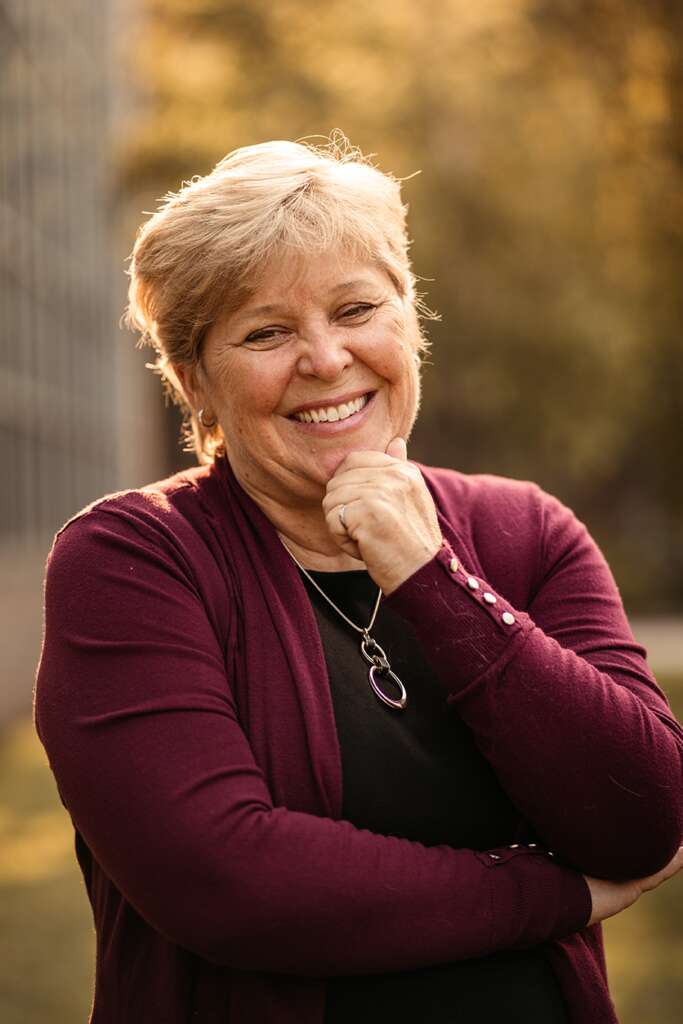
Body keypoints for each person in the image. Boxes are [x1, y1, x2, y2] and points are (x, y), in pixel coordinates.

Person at [34, 136, 683, 1024]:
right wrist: (552, 895)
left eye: (355, 309)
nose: (327, 359)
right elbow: (228, 881)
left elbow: (643, 818)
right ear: (195, 382)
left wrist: (430, 572)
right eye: (266, 332)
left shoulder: (525, 531)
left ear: (407, 322)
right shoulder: (134, 560)